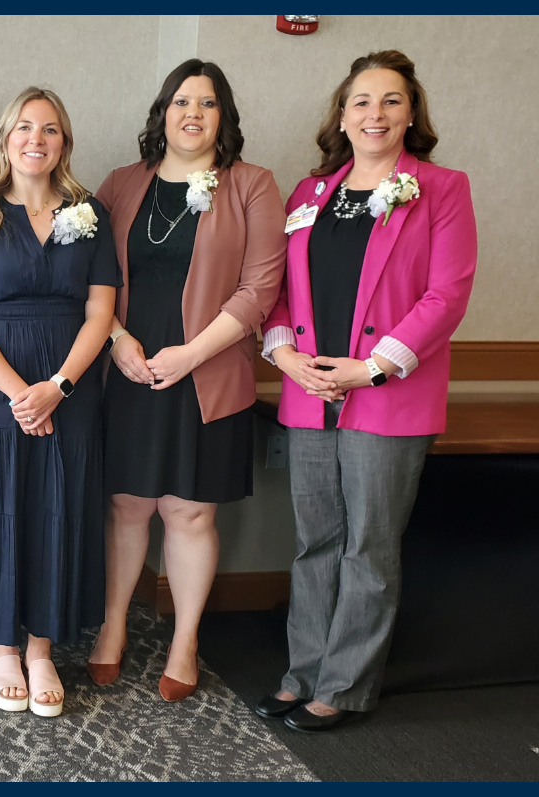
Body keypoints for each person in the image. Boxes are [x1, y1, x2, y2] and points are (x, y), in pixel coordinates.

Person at [256, 50, 477, 733]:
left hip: (389, 395)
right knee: (314, 540)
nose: (373, 113)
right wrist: (285, 352)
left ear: (411, 113)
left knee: (369, 546)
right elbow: (279, 291)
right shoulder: (308, 195)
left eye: (389, 100)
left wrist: (371, 367)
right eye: (361, 101)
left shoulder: (440, 187)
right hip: (309, 393)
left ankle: (344, 686)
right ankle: (303, 673)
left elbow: (447, 294)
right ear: (342, 115)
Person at [86, 59, 287, 701]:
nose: (191, 114)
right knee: (125, 506)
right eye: (180, 102)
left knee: (189, 513)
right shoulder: (120, 183)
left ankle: (184, 642)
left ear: (222, 116)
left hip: (208, 375)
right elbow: (90, 279)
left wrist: (189, 354)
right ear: (161, 113)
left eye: (206, 103)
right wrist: (116, 341)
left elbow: (260, 288)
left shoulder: (251, 185)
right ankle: (112, 628)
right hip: (127, 371)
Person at [0, 87, 121, 717]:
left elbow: (101, 314)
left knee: (57, 508)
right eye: (24, 127)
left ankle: (42, 648)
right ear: (5, 139)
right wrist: (22, 393)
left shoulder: (90, 212)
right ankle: (1, 649)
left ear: (63, 142)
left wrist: (58, 389)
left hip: (69, 388)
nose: (35, 139)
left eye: (49, 129)